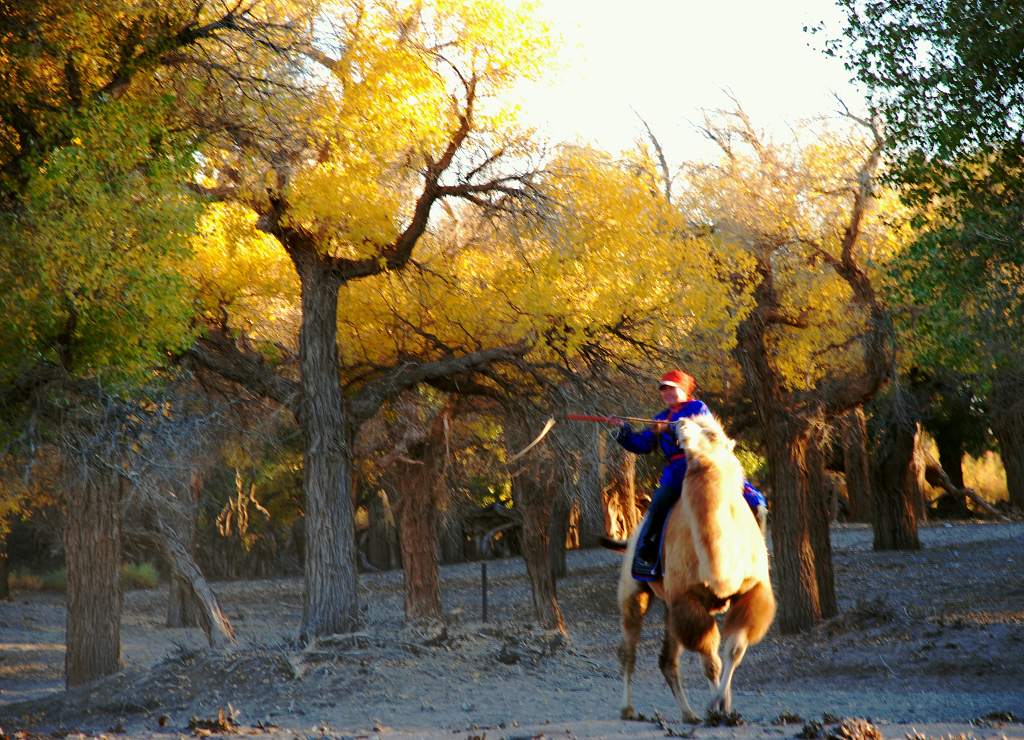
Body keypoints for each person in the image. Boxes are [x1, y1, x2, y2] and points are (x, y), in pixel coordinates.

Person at [609, 369, 766, 581]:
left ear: (684, 389)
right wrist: (623, 431)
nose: (667, 393)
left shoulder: (697, 408)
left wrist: (670, 430)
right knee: (659, 502)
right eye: (663, 389)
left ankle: (755, 550)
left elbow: (704, 433)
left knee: (752, 500)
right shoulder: (660, 417)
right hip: (676, 472)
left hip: (703, 463)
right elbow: (642, 445)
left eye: (672, 388)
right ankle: (648, 550)